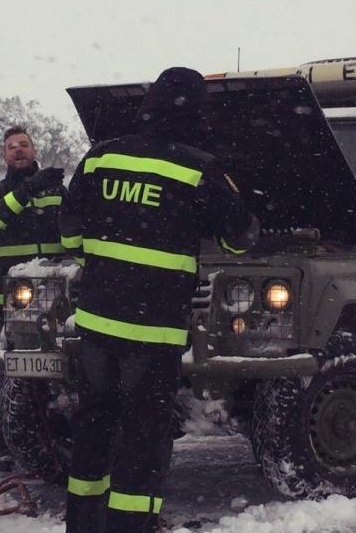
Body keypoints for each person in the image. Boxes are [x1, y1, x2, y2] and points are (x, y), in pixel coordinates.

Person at [60, 67, 259, 533]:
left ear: (147, 105)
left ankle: (84, 525)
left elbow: (69, 236)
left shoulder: (101, 158)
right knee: (143, 440)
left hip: (95, 328)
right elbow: (237, 241)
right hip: (152, 334)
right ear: (196, 112)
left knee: (93, 431)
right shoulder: (198, 169)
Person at [0, 125, 66, 471]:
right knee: (11, 368)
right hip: (15, 299)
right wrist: (29, 189)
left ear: (34, 149)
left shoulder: (57, 188)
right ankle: (4, 440)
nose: (18, 150)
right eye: (12, 146)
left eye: (24, 145)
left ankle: (57, 430)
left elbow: (76, 227)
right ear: (4, 155)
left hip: (60, 294)